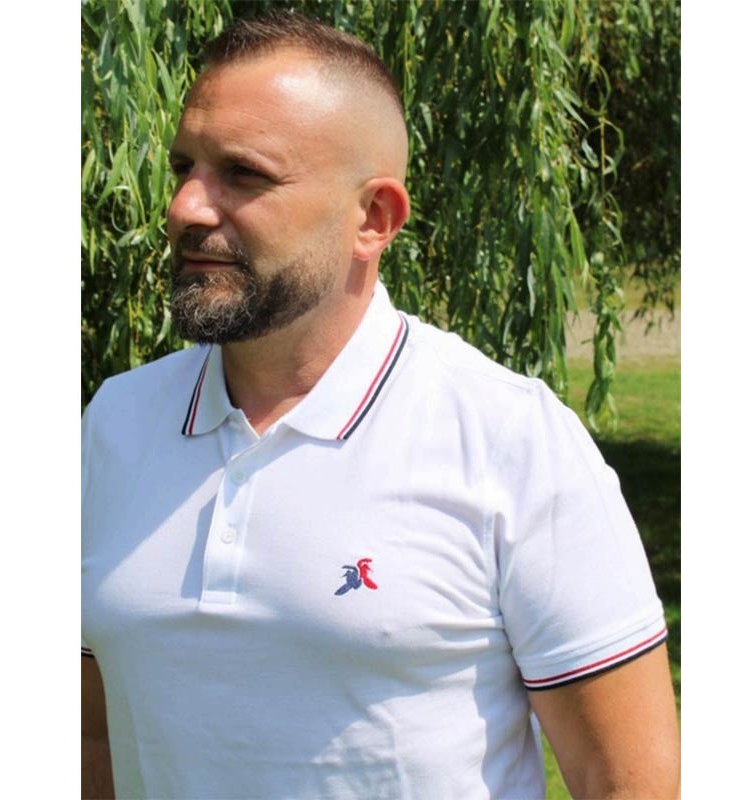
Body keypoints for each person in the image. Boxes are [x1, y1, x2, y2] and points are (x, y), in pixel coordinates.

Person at [82, 12, 680, 799]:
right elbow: (92, 732)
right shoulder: (114, 424)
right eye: (183, 166)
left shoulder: (507, 437)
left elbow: (627, 779)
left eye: (244, 174)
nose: (186, 206)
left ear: (374, 219)